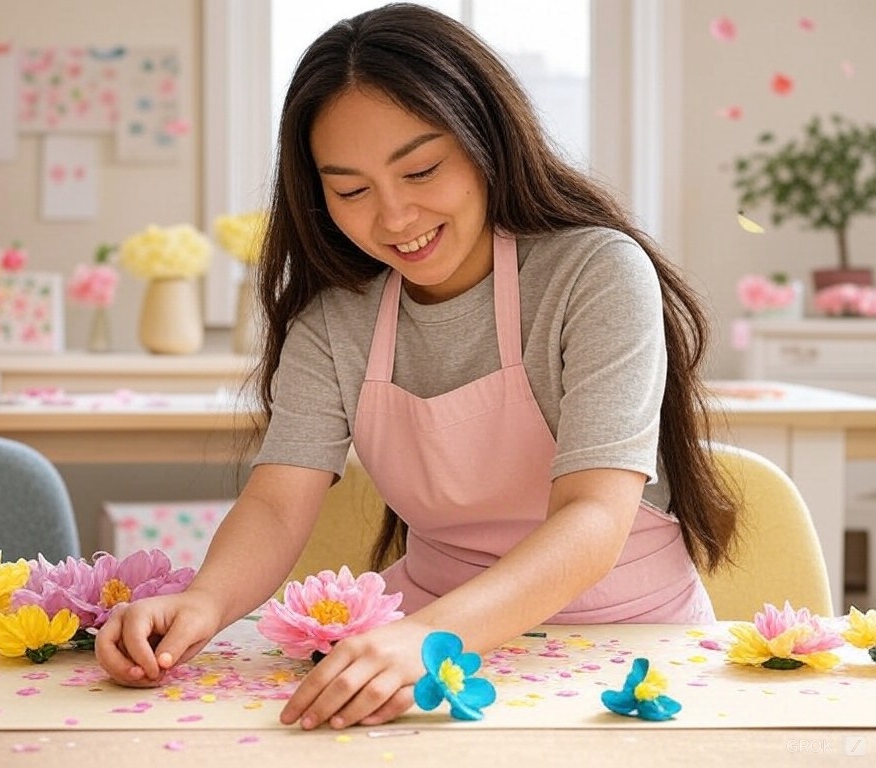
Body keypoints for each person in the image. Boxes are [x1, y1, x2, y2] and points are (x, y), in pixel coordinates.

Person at [95, 2, 739, 730]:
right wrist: (202, 601)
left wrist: (432, 640)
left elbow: (593, 515)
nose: (395, 216)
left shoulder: (592, 272)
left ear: (486, 139)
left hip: (622, 650)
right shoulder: (336, 318)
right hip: (411, 654)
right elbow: (278, 505)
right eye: (351, 190)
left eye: (422, 169)